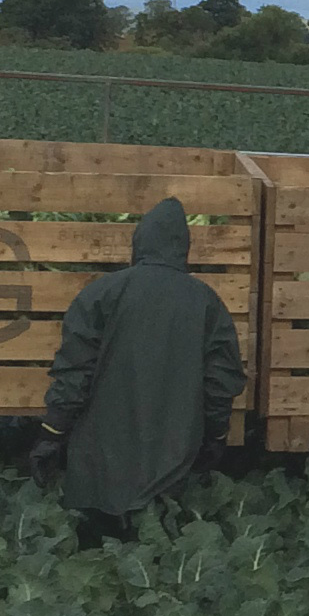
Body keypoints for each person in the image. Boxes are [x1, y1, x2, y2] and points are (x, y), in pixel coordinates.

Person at [35, 197, 246, 541]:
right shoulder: (207, 302)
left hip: (98, 466)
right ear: (183, 248)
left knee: (92, 567)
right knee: (159, 556)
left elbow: (74, 372)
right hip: (172, 463)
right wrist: (215, 436)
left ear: (139, 242)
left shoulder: (100, 294)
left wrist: (51, 434)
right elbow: (220, 383)